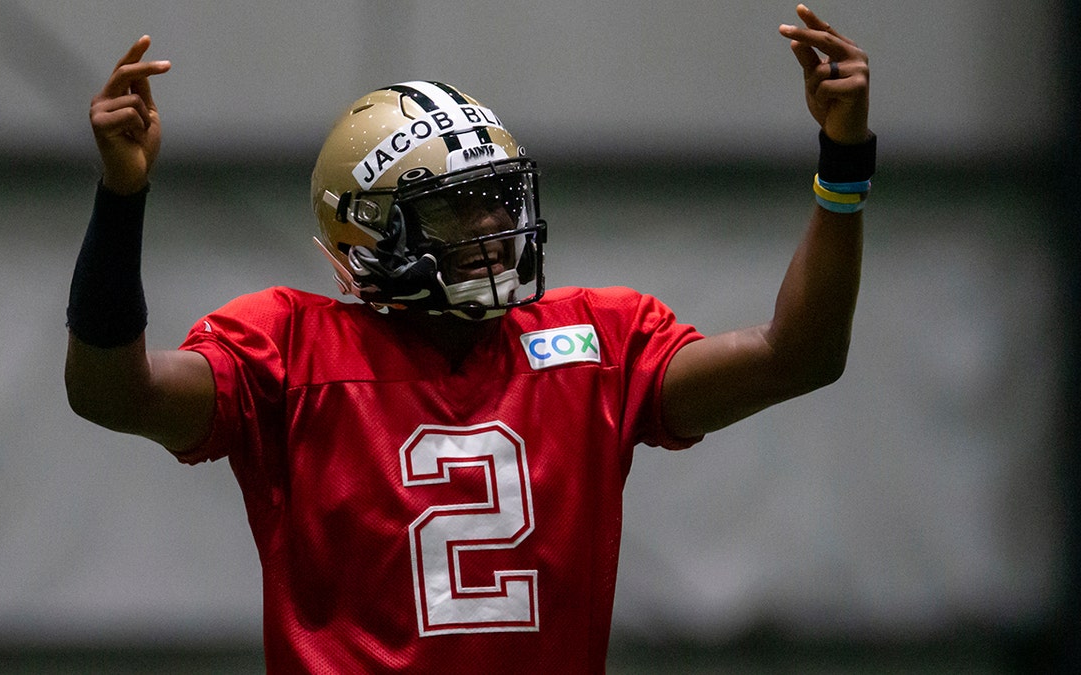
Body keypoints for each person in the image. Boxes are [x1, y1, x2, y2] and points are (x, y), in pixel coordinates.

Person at [64, 4, 872, 673]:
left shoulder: (597, 337)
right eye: (456, 209)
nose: (491, 229)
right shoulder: (286, 349)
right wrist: (120, 196)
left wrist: (842, 166)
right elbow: (111, 391)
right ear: (364, 239)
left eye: (496, 200)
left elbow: (796, 356)